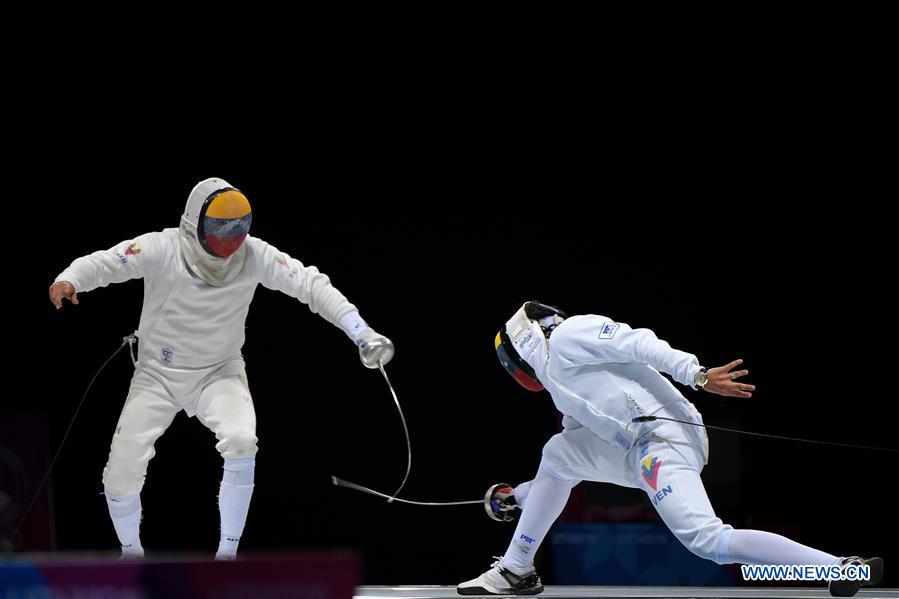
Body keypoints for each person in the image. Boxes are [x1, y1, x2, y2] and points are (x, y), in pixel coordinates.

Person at [48, 177, 394, 559]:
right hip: (157, 376)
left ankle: (226, 559)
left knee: (242, 440)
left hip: (220, 372)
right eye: (221, 227)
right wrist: (71, 278)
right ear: (196, 223)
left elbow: (312, 286)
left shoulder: (254, 255)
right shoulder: (162, 247)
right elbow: (108, 262)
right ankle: (131, 558)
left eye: (240, 227)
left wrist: (361, 332)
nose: (232, 238)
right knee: (120, 472)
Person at [458, 301, 882, 597]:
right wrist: (515, 497)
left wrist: (696, 375)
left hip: (664, 439)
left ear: (521, 347)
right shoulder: (561, 390)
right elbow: (569, 465)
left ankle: (841, 566)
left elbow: (639, 342)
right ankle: (516, 569)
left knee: (707, 541)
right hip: (634, 449)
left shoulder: (570, 333)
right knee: (558, 453)